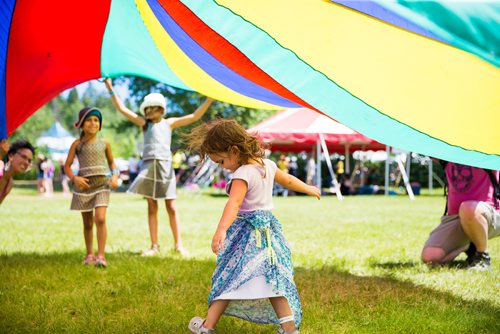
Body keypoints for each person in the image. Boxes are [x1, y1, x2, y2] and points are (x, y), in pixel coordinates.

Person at [185, 119, 320, 334]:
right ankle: (289, 329)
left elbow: (234, 203)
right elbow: (289, 181)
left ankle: (207, 326)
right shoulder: (268, 165)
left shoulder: (242, 174)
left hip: (246, 235)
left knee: (229, 278)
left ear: (234, 151)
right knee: (274, 281)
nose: (223, 167)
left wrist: (220, 230)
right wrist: (309, 188)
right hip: (268, 236)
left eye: (221, 161)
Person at [104, 78, 214, 256]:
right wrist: (110, 88)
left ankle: (178, 245)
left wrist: (208, 100)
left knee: (171, 206)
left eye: (151, 108)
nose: (147, 111)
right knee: (151, 206)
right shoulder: (144, 124)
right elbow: (122, 109)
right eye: (146, 109)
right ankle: (154, 246)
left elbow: (194, 117)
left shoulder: (169, 123)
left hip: (165, 167)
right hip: (148, 166)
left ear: (160, 109)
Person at [64, 107, 120, 267]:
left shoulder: (105, 144)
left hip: (102, 185)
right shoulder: (77, 145)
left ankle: (101, 256)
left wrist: (115, 175)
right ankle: (89, 254)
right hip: (84, 187)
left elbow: (112, 163)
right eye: (89, 120)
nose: (93, 123)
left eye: (96, 120)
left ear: (100, 125)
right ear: (81, 124)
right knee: (88, 223)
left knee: (100, 219)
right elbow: (67, 166)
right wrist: (75, 178)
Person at [421, 161, 499, 271]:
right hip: (455, 217)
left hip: (488, 214)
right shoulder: (448, 152)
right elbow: (427, 147)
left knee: (468, 208)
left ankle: (482, 256)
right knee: (430, 257)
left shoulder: (489, 149)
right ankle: (467, 245)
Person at [0, 139, 35, 205]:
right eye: (24, 157)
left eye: (29, 160)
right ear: (11, 156)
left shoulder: (9, 184)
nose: (26, 162)